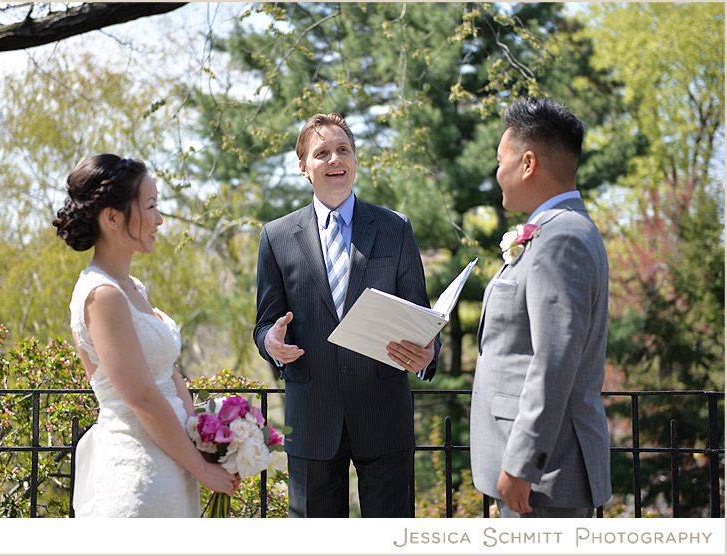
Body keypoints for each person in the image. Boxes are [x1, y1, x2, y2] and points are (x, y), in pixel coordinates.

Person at [253, 113, 441, 518]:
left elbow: (422, 315)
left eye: (344, 150)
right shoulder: (277, 236)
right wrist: (270, 342)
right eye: (322, 152)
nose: (335, 159)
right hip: (312, 416)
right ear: (303, 167)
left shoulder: (395, 228)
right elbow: (264, 324)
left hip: (383, 414)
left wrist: (429, 352)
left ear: (355, 159)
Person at [53, 154, 238, 517]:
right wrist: (202, 470)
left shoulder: (132, 287)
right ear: (112, 217)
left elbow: (167, 373)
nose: (159, 219)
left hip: (172, 461)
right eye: (150, 206)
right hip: (139, 469)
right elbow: (142, 398)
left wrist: (205, 439)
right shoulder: (102, 295)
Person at [470, 98, 612, 518]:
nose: (497, 173)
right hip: (535, 474)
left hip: (544, 476)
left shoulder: (561, 237)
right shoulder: (557, 230)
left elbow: (554, 360)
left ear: (527, 163)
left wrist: (521, 464)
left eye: (501, 160)